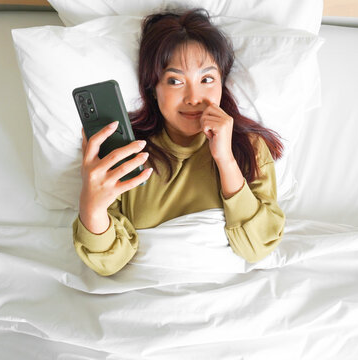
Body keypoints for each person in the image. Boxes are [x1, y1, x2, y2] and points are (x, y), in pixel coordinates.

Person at [73, 8, 286, 276]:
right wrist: (91, 204)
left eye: (207, 79)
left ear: (222, 83)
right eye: (175, 81)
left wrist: (225, 160)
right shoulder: (127, 153)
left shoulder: (249, 147)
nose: (194, 97)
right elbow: (109, 263)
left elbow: (258, 247)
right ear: (153, 87)